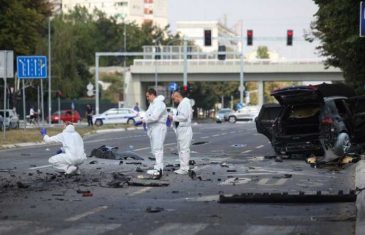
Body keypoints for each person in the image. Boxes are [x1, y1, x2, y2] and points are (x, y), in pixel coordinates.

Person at [142, 88, 168, 175]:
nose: (147, 98)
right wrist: (143, 118)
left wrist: (145, 120)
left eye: (148, 96)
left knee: (158, 148)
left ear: (152, 95)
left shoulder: (159, 104)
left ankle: (159, 169)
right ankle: (157, 167)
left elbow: (154, 117)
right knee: (154, 149)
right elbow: (147, 114)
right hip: (153, 128)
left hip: (158, 127)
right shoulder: (152, 104)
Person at [169, 90, 193, 175]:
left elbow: (184, 116)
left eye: (173, 99)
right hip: (181, 129)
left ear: (177, 96)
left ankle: (185, 168)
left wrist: (173, 117)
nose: (173, 101)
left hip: (185, 129)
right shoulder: (182, 104)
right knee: (181, 149)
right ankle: (182, 167)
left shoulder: (185, 103)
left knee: (184, 149)